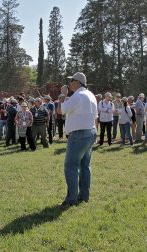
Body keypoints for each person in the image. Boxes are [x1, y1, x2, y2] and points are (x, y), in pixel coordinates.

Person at [60, 72, 97, 208]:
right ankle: (84, 196)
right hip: (90, 132)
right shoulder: (90, 95)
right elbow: (95, 116)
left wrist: (62, 95)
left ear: (78, 82)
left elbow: (60, 111)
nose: (69, 83)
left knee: (71, 166)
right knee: (85, 166)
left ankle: (71, 199)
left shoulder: (77, 96)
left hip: (79, 135)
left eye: (71, 81)